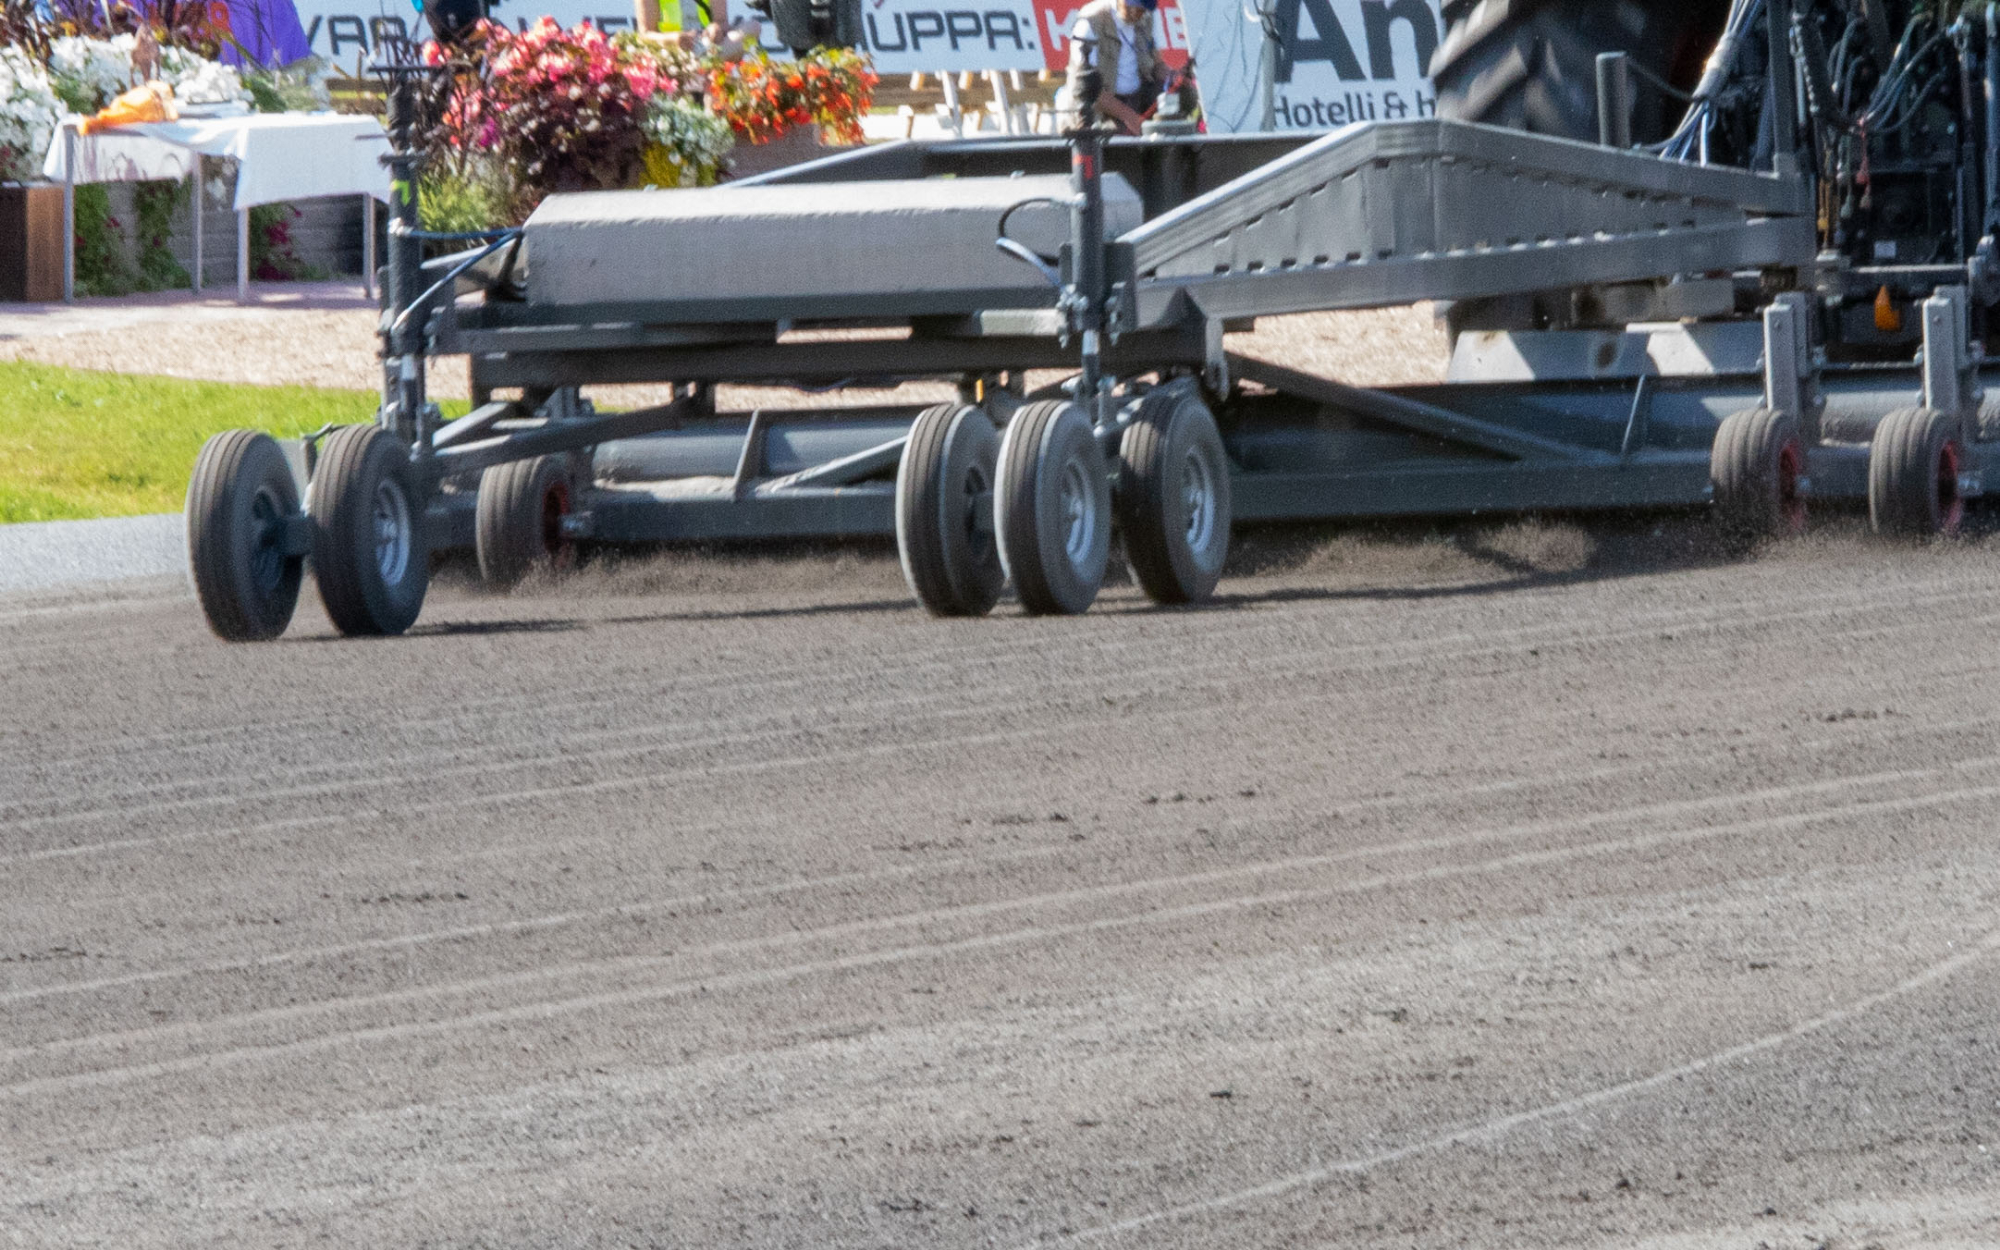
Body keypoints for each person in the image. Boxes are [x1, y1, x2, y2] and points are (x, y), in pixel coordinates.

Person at [1065, 0, 1168, 135]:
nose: (1135, 13)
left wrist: (1172, 77)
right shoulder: (1090, 21)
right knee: (1122, 141)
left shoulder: (1147, 18)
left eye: (1141, 9)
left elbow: (1158, 64)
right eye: (1132, 6)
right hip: (1101, 109)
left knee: (1184, 96)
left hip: (1139, 98)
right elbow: (1087, 88)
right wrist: (1129, 116)